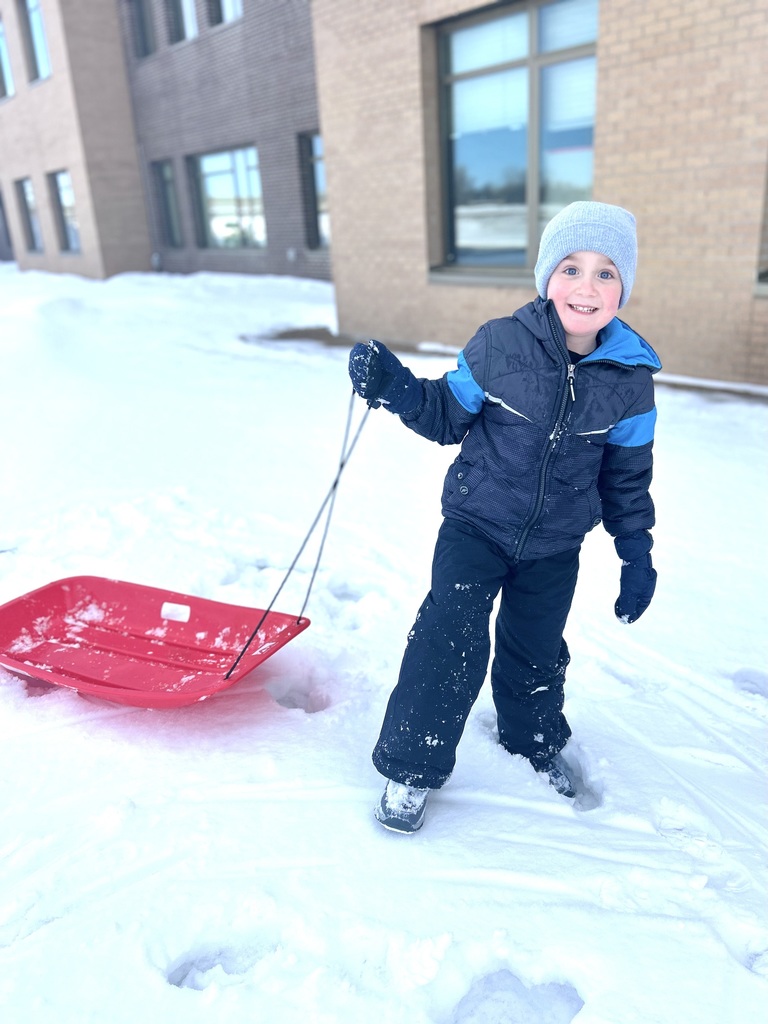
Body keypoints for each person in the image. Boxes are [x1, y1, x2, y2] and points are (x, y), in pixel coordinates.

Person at [348, 201, 661, 833]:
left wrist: (636, 554)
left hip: (554, 544)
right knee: (449, 635)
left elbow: (627, 479)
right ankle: (410, 767)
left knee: (536, 650)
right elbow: (445, 415)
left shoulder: (631, 381)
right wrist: (398, 387)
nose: (587, 286)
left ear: (623, 288)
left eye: (606, 273)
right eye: (572, 267)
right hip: (475, 527)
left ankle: (532, 741)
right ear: (547, 277)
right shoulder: (497, 345)